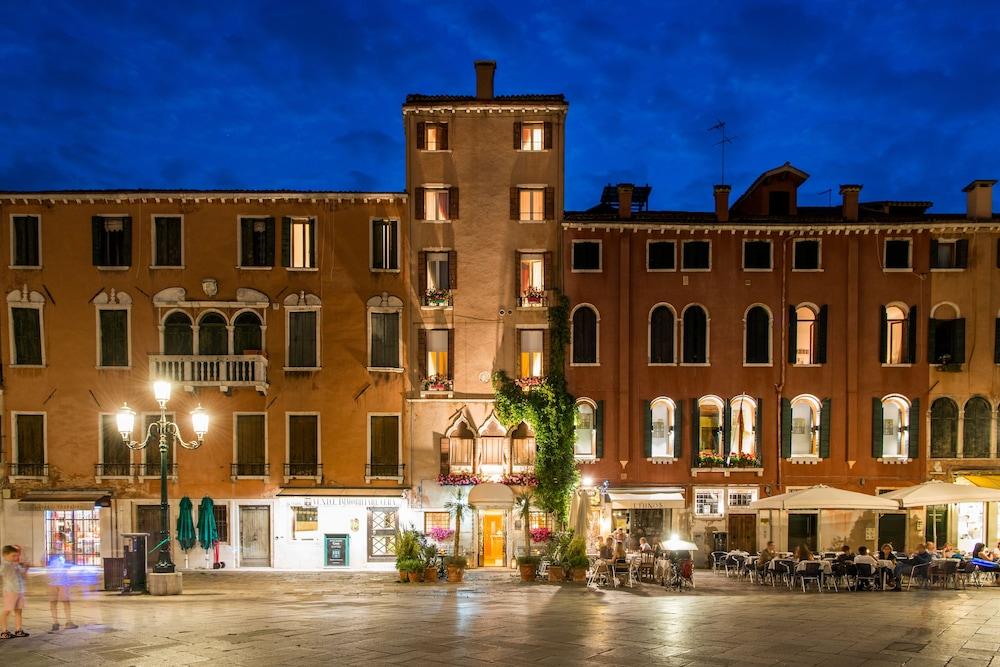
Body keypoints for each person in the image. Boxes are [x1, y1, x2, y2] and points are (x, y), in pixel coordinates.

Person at [1, 545, 29, 639]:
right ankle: (4, 631)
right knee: (7, 611)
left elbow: (23, 575)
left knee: (18, 611)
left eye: (17, 556)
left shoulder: (15, 564)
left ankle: (18, 630)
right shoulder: (4, 565)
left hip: (19, 590)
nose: (16, 558)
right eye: (13, 556)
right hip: (10, 591)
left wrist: (26, 568)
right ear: (5, 555)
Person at [46, 551, 77, 633]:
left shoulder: (62, 558)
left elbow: (69, 566)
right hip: (54, 583)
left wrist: (69, 558)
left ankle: (67, 622)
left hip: (61, 582)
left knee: (65, 602)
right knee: (54, 602)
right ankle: (57, 622)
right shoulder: (50, 557)